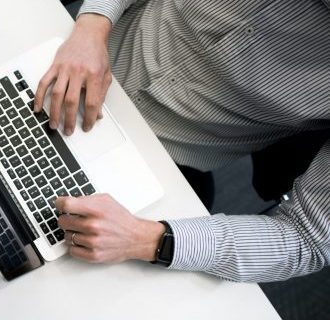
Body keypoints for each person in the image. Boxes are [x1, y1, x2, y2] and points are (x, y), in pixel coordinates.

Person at [33, 0, 330, 282]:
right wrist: (93, 24)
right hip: (78, 51)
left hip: (155, 162)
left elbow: (307, 238)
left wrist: (146, 239)